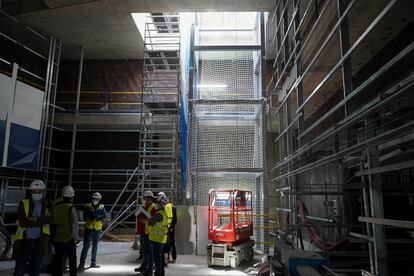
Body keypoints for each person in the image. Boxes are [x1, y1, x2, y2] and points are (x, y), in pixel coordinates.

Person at [13, 179, 54, 276]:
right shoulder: (24, 203)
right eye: (34, 191)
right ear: (31, 192)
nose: (36, 193)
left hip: (40, 241)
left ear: (42, 192)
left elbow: (51, 219)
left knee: (35, 271)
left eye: (39, 191)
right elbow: (23, 222)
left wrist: (35, 219)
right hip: (24, 241)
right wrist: (41, 221)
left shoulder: (48, 204)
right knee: (19, 270)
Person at [51, 185, 80, 276]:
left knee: (57, 262)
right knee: (72, 262)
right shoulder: (71, 207)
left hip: (56, 238)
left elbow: (51, 221)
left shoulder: (55, 206)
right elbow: (74, 224)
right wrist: (77, 238)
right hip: (68, 238)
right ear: (72, 197)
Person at [78, 192, 107, 271]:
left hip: (97, 229)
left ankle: (93, 262)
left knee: (95, 246)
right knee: (86, 246)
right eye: (94, 198)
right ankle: (81, 263)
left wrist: (97, 217)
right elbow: (85, 215)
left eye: (97, 199)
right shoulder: (88, 206)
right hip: (89, 229)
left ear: (100, 200)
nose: (95, 200)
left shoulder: (102, 207)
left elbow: (104, 215)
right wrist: (91, 216)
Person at [134, 191, 157, 275]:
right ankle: (144, 265)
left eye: (145, 198)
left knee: (149, 251)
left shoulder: (153, 207)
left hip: (149, 233)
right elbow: (138, 215)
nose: (144, 199)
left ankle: (150, 269)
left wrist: (146, 220)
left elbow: (155, 220)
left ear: (149, 198)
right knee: (144, 250)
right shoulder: (145, 206)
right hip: (143, 232)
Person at [148, 193, 169, 276]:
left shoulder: (159, 214)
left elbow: (150, 222)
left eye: (158, 202)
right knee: (160, 257)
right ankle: (161, 272)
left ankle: (158, 273)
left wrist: (151, 220)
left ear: (161, 203)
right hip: (160, 239)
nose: (156, 204)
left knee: (157, 258)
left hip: (157, 239)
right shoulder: (163, 213)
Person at [158, 193, 177, 264]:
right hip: (166, 228)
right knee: (167, 243)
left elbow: (174, 219)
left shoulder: (171, 207)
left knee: (171, 243)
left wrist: (171, 227)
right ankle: (168, 258)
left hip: (170, 228)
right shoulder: (166, 207)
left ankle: (173, 257)